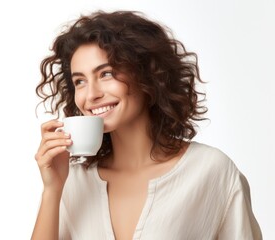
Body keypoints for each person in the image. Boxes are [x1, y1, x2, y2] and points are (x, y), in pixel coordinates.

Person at [31, 10, 262, 240]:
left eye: (106, 74)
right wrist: (52, 190)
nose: (90, 95)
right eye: (80, 81)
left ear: (147, 75)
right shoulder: (74, 181)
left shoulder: (210, 171)